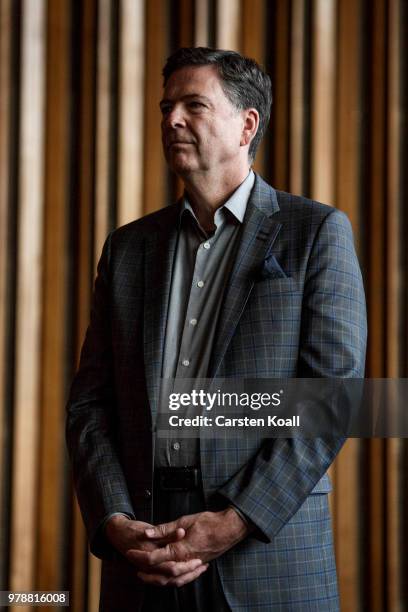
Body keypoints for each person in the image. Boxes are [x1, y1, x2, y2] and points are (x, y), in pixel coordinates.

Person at [66, 47, 367, 612]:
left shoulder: (315, 232)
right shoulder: (128, 249)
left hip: (264, 556)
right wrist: (113, 518)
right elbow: (89, 404)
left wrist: (235, 519)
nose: (171, 119)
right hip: (144, 557)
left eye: (192, 104)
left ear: (246, 124)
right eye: (165, 106)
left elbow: (332, 398)